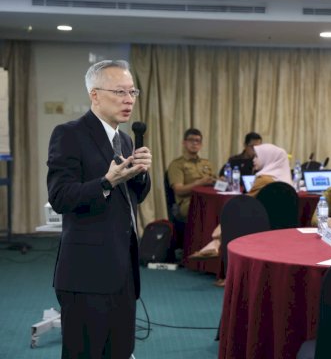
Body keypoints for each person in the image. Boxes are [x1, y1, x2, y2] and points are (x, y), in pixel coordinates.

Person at [47, 60, 152, 358]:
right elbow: (60, 197)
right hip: (86, 273)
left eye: (132, 92)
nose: (129, 99)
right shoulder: (69, 134)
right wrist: (106, 182)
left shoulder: (125, 138)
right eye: (120, 92)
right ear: (95, 95)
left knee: (120, 351)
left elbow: (132, 199)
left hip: (123, 270)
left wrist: (141, 174)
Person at [189, 143, 291, 260]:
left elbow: (247, 200)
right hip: (280, 228)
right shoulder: (285, 179)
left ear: (268, 159)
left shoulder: (263, 179)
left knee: (232, 210)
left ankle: (216, 243)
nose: (253, 160)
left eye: (257, 157)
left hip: (259, 225)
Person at [167, 128, 217, 221]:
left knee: (227, 204)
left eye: (197, 141)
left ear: (201, 145)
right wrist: (198, 184)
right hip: (189, 202)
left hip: (209, 198)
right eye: (191, 140)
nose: (194, 143)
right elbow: (178, 190)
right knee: (209, 209)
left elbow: (215, 183)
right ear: (184, 143)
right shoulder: (177, 164)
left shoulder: (206, 163)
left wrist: (220, 181)